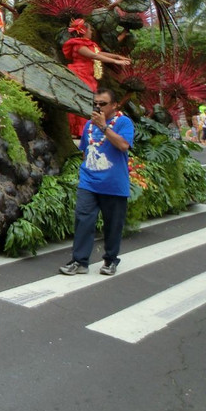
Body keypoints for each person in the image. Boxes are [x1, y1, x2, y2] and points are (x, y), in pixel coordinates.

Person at [59, 88, 134, 276]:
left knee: (112, 225)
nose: (98, 107)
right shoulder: (89, 125)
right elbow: (85, 150)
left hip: (114, 184)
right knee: (83, 220)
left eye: (103, 104)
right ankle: (79, 261)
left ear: (115, 105)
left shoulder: (124, 122)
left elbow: (124, 145)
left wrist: (104, 127)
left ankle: (110, 260)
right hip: (89, 182)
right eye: (96, 104)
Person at [62, 18, 132, 137]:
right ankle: (77, 131)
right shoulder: (78, 45)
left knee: (89, 101)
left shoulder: (87, 43)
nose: (91, 32)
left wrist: (118, 57)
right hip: (79, 74)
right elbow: (94, 55)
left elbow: (99, 53)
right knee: (82, 100)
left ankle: (85, 129)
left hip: (88, 75)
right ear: (84, 31)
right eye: (90, 29)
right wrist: (115, 61)